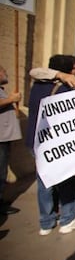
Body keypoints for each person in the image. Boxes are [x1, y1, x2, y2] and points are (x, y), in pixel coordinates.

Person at [26, 55, 75, 235]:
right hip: (58, 146)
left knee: (44, 183)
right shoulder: (66, 89)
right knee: (67, 182)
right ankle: (67, 220)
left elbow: (35, 72)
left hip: (36, 143)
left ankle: (46, 223)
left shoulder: (37, 85)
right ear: (68, 70)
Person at [0, 65, 21, 215]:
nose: (6, 73)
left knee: (2, 171)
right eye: (3, 71)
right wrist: (11, 99)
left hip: (5, 138)